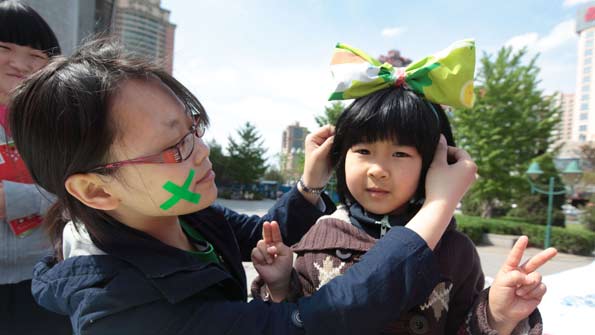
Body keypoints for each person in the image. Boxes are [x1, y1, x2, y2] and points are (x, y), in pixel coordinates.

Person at [8, 37, 476, 335]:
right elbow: (318, 323)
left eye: (193, 128)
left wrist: (310, 183)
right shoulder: (117, 309)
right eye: (174, 147)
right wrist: (437, 207)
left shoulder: (181, 214)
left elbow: (265, 233)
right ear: (96, 191)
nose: (202, 151)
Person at [250, 40, 558, 335]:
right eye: (363, 151)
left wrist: (498, 316)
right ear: (339, 157)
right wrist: (279, 287)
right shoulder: (317, 239)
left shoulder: (456, 252)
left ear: (434, 165)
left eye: (400, 154)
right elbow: (291, 324)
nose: (378, 170)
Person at [0, 1, 71, 334]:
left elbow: (83, 190)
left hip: (47, 280)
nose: (19, 64)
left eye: (36, 55)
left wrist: (12, 199)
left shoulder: (62, 125)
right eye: (4, 48)